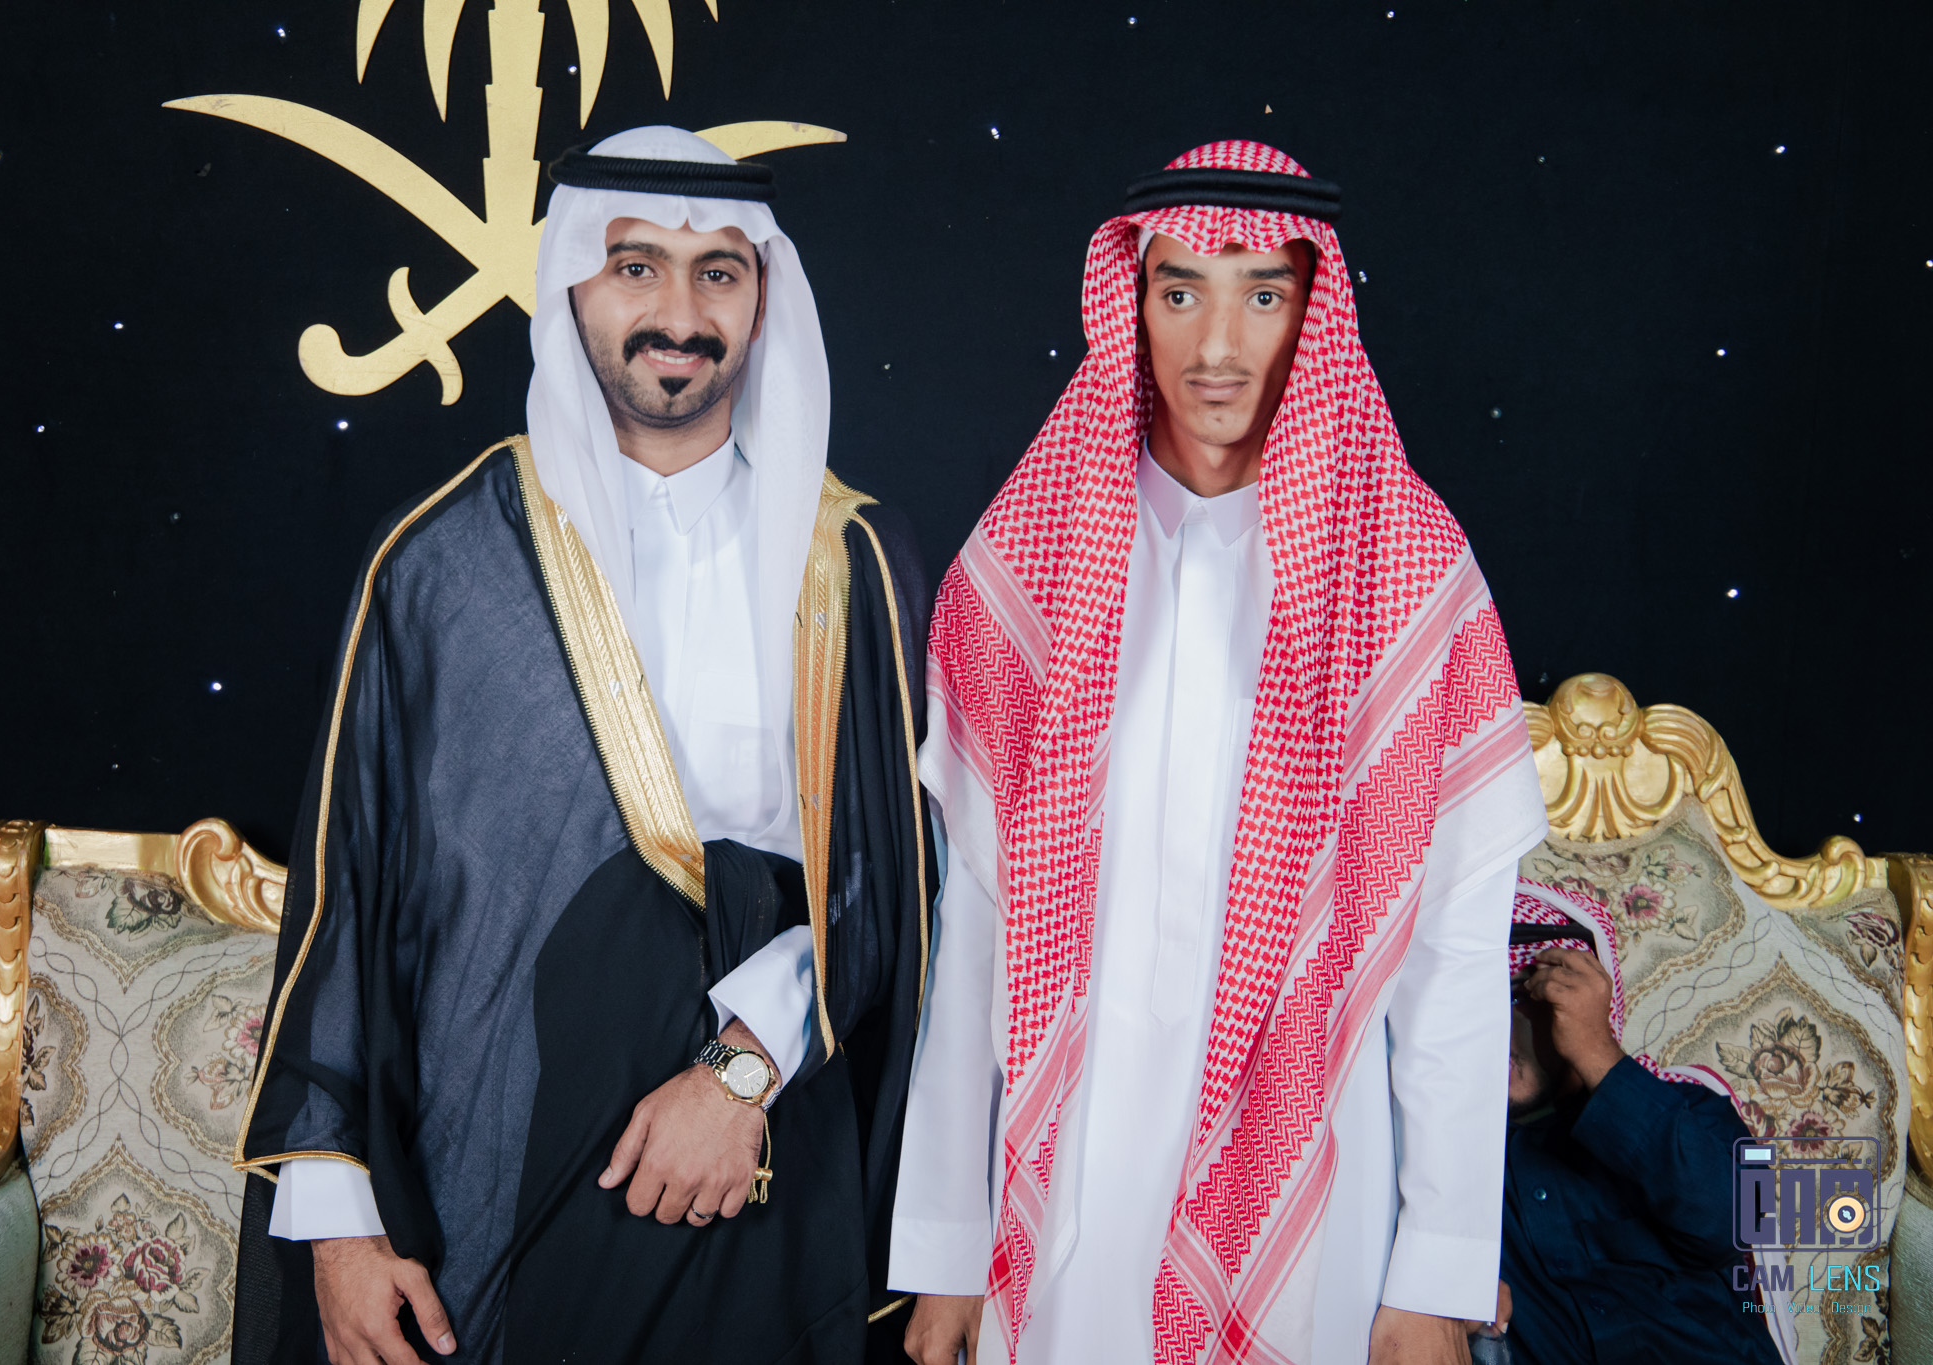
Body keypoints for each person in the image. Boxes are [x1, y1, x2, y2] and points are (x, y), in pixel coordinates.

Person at [227, 126, 933, 1365]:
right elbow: (353, 901)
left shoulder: (850, 562)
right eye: (635, 266)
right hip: (490, 1165)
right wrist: (339, 1232)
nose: (679, 314)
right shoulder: (441, 564)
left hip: (758, 1159)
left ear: (763, 298)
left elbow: (894, 877)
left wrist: (740, 1070)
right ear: (569, 286)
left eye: (718, 272)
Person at [892, 140, 1548, 1365]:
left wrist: (1437, 1273)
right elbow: (972, 926)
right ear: (1130, 303)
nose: (1216, 346)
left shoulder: (1405, 571)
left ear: (1312, 310)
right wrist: (943, 1243)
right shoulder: (1027, 558)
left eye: (1262, 295)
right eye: (1180, 290)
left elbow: (1453, 958)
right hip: (1069, 1162)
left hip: (1311, 1176)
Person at [1499, 882, 1792, 1365]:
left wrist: (1597, 1051)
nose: (1491, 1028)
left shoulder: (1696, 1105)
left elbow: (1739, 1225)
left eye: (1516, 996)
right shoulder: (1442, 1165)